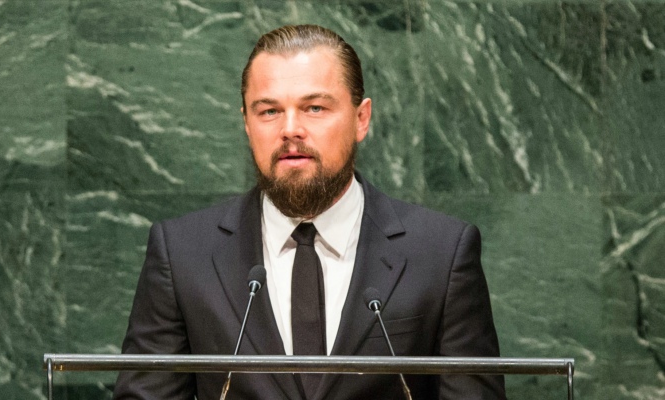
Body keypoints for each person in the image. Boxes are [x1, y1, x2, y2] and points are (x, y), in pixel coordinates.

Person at [113, 24, 505, 400]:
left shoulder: (441, 253)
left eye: (314, 108)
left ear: (361, 119)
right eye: (269, 111)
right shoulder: (183, 253)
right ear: (246, 123)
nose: (290, 129)